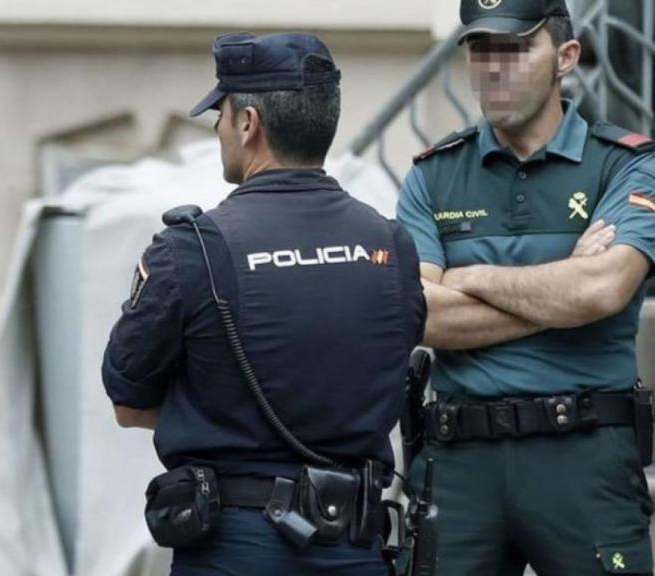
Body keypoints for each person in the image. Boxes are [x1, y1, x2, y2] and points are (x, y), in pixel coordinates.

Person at [102, 31, 426, 575]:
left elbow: (128, 401)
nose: (219, 130)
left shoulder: (190, 250)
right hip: (356, 547)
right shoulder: (391, 247)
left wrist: (216, 404)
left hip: (235, 549)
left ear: (249, 124)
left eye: (221, 116)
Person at [396, 1, 655, 574]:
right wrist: (562, 286)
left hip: (585, 458)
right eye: (482, 49)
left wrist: (472, 278)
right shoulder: (434, 173)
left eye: (515, 49)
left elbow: (602, 291)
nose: (493, 67)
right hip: (460, 462)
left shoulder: (625, 165)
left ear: (566, 57)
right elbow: (418, 315)